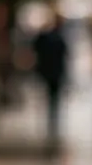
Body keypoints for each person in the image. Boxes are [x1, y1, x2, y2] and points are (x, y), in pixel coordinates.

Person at [32, 8, 70, 148]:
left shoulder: (50, 36)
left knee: (52, 98)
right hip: (53, 72)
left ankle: (52, 122)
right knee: (53, 98)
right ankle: (51, 121)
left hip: (50, 72)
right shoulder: (56, 37)